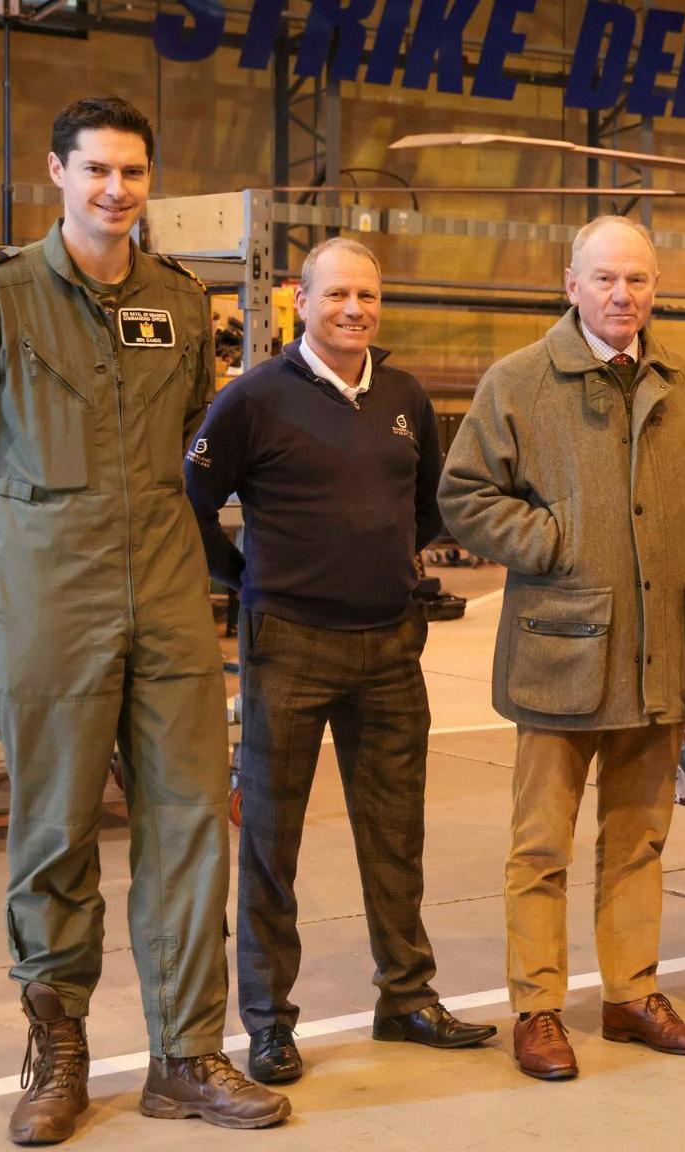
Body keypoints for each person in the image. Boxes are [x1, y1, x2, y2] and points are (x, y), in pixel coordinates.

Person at [0, 95, 289, 1143]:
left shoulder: (177, 302)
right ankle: (57, 1050)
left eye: (131, 173)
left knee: (187, 826)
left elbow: (187, 427)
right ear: (56, 172)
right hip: (48, 587)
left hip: (167, 587)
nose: (114, 191)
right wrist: (19, 531)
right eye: (95, 171)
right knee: (55, 828)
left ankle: (185, 1056)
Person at [183, 236, 495, 1086]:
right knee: (272, 844)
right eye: (335, 296)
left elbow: (430, 500)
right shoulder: (254, 398)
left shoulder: (402, 395)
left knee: (396, 835)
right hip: (288, 642)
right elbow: (192, 501)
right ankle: (268, 1022)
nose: (352, 310)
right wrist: (245, 578)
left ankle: (408, 996)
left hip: (392, 644)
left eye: (366, 296)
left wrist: (387, 562)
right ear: (302, 302)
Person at [438, 215, 685, 1081]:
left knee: (639, 838)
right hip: (562, 650)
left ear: (655, 288)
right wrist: (555, 540)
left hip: (659, 650)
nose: (622, 295)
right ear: (571, 284)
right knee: (541, 845)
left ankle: (630, 993)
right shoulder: (521, 383)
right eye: (604, 278)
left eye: (637, 280)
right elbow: (464, 494)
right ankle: (537, 1007)